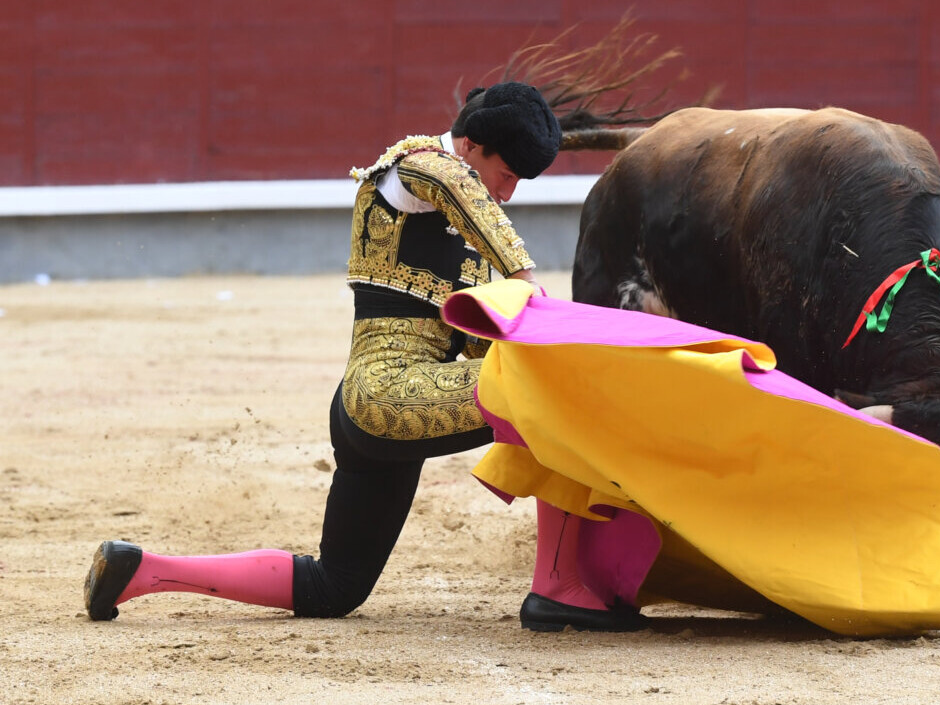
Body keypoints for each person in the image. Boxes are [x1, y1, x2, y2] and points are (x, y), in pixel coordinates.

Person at [84, 81, 647, 632]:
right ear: (472, 146)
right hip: (387, 397)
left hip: (381, 409)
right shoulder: (413, 168)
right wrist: (527, 279)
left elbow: (486, 341)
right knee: (553, 387)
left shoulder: (462, 240)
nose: (508, 192)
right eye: (507, 175)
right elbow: (451, 181)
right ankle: (558, 588)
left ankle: (142, 571)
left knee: (336, 587)